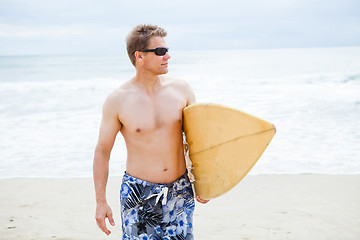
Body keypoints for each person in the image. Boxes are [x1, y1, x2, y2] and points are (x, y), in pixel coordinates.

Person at [93, 24, 209, 240]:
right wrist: (101, 202)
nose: (168, 56)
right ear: (140, 56)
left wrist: (204, 182)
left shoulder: (181, 90)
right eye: (160, 51)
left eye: (166, 50)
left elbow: (197, 141)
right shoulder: (118, 100)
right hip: (139, 194)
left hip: (180, 190)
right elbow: (102, 151)